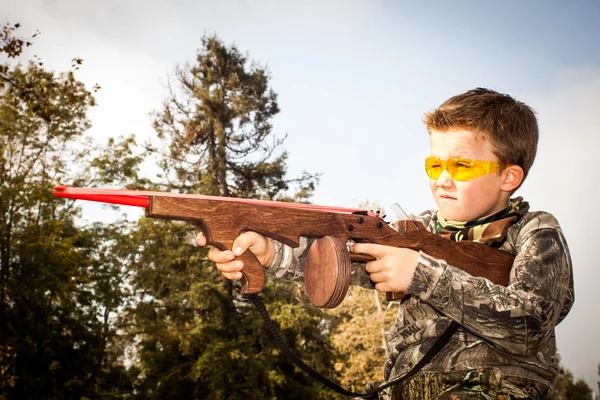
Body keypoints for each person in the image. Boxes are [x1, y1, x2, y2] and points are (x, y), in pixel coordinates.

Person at [196, 88, 574, 400]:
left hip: (495, 388)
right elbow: (345, 260)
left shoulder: (535, 231)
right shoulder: (417, 229)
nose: (442, 180)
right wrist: (271, 253)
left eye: (461, 167)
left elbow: (531, 324)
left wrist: (422, 276)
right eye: (434, 166)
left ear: (509, 177)